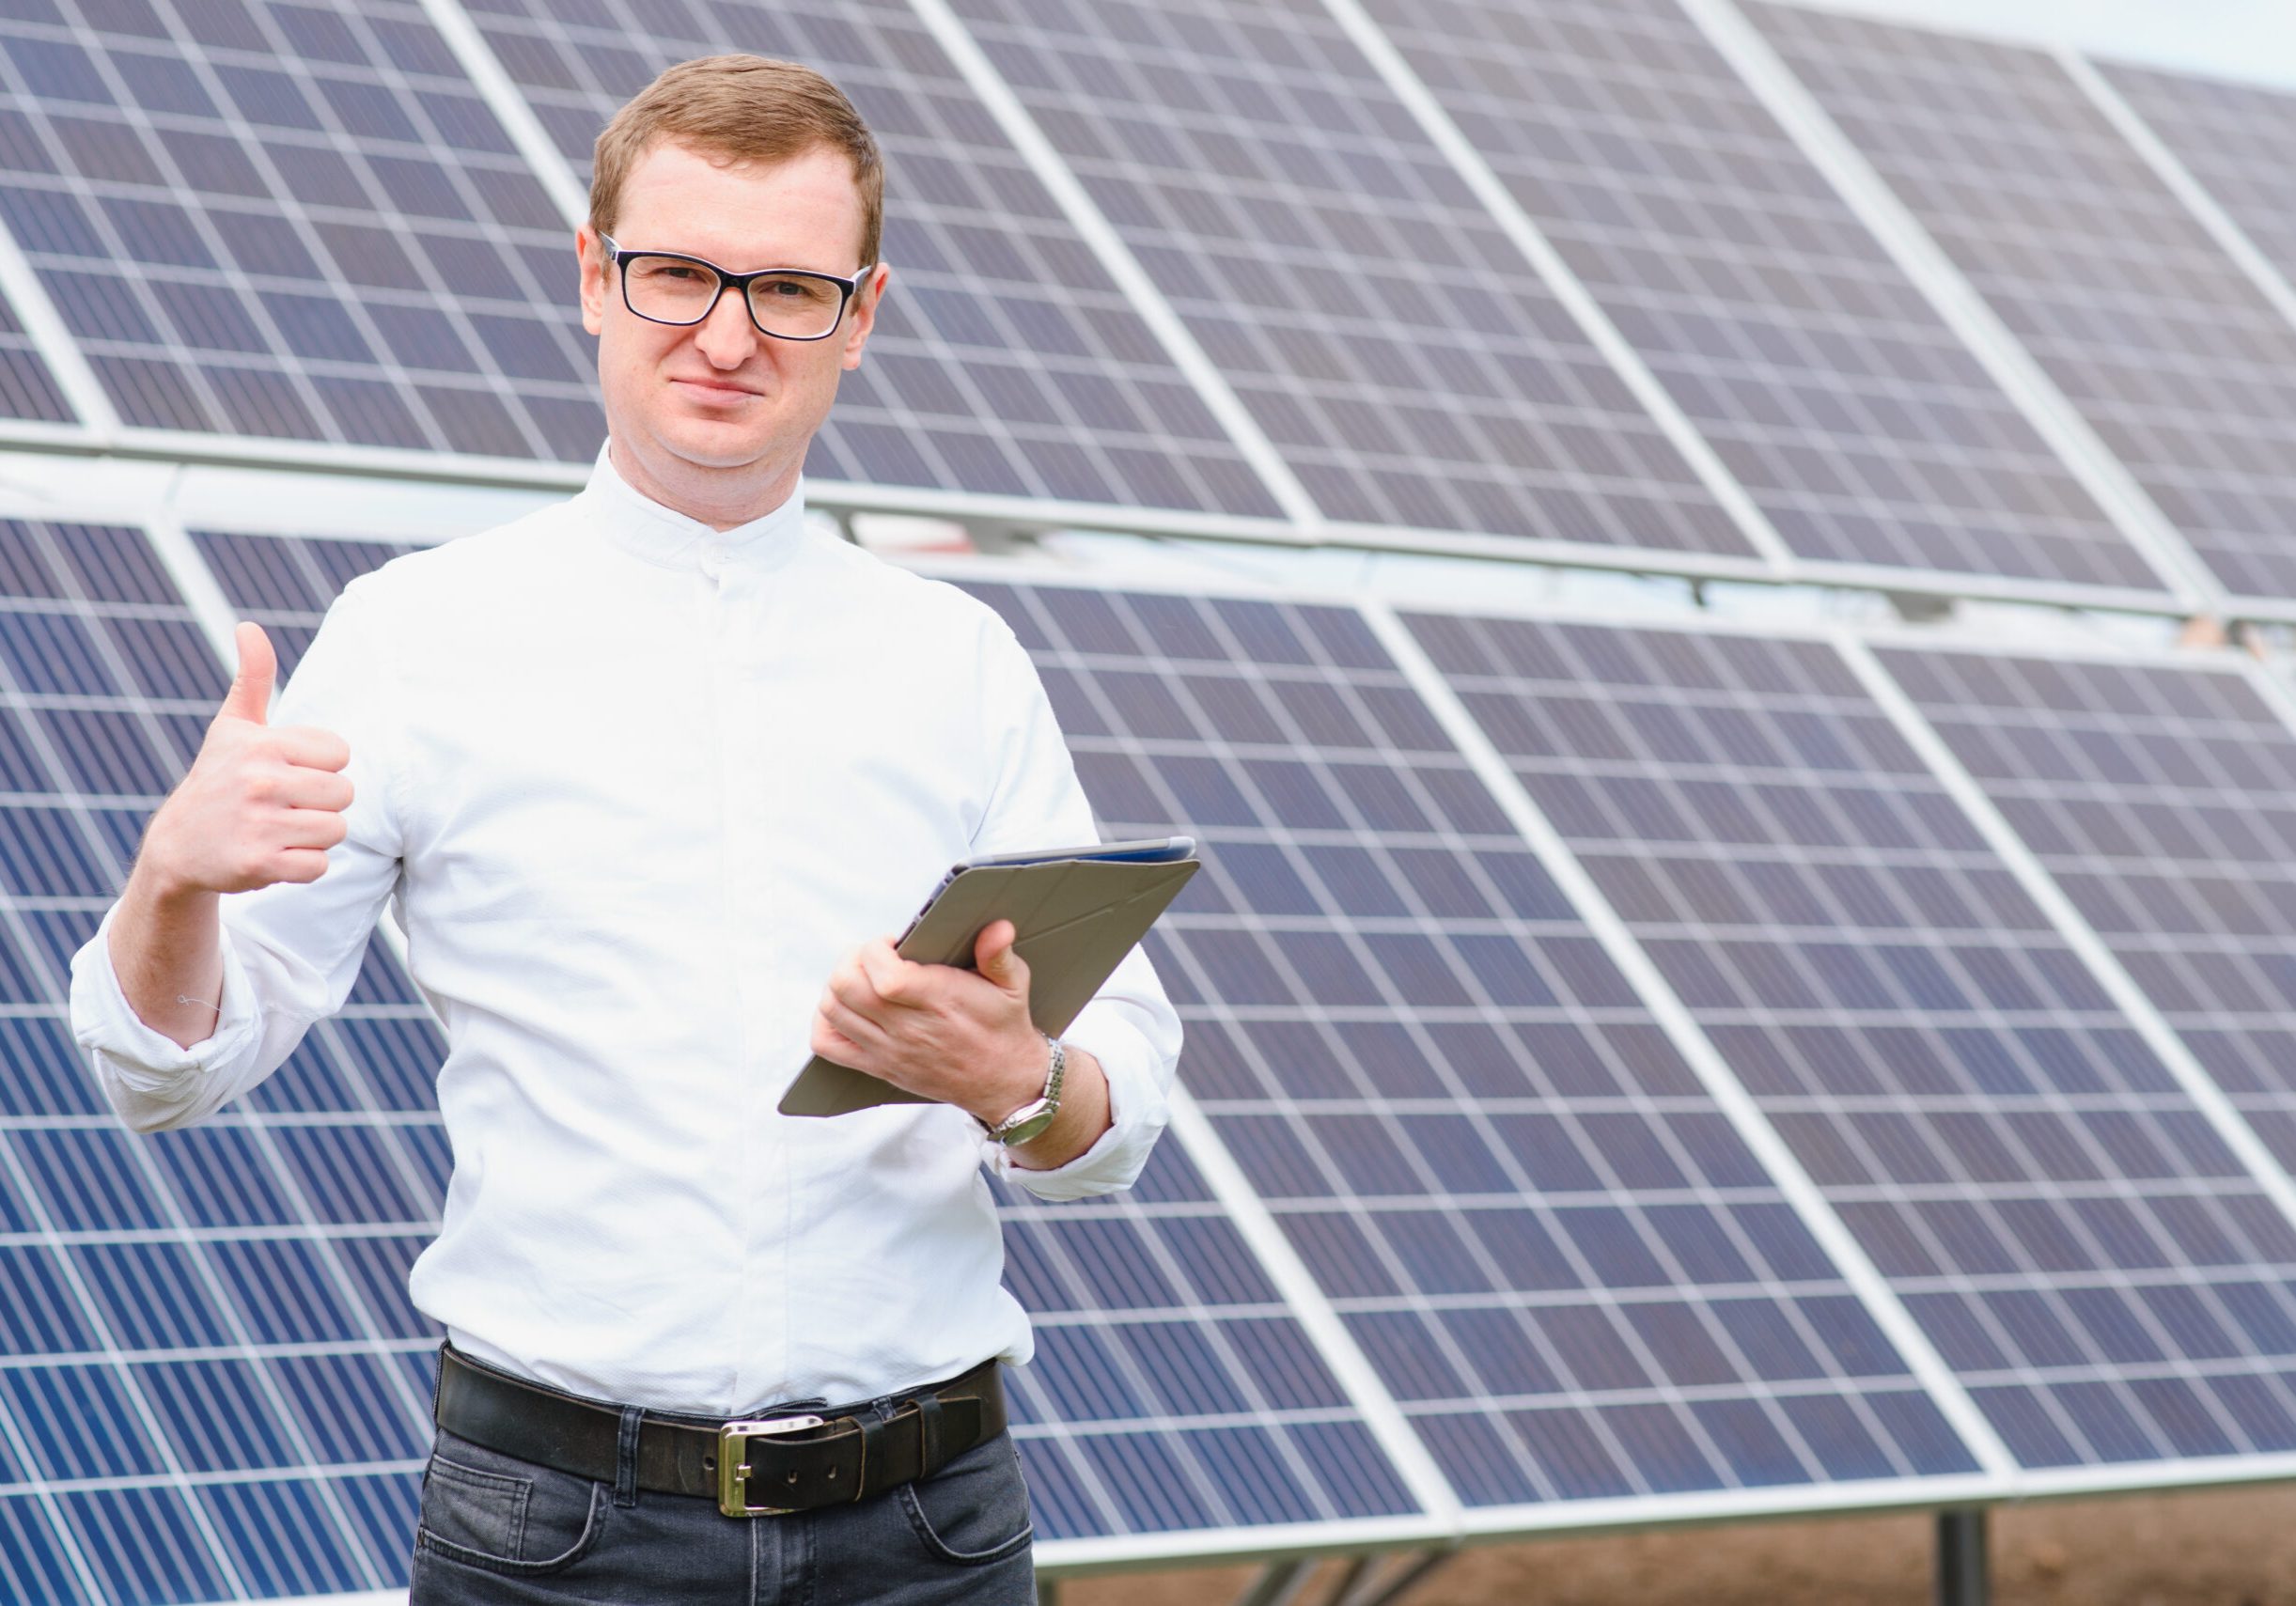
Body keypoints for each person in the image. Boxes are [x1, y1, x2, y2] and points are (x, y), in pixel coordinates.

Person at [67, 53, 1180, 1606]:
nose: (726, 334)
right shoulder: (415, 636)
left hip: (929, 1530)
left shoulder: (960, 660)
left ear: (859, 317)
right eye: (676, 275)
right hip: (557, 1534)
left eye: (789, 288)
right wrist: (170, 882)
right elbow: (167, 1068)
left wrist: (1020, 1080)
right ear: (594, 279)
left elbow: (1112, 1112)